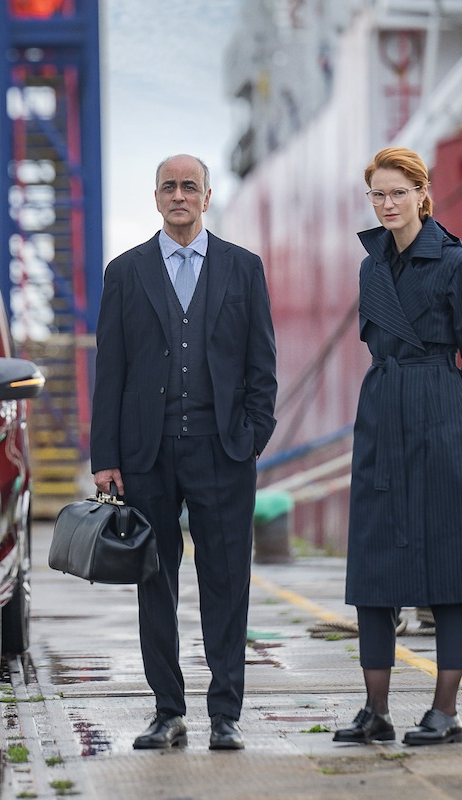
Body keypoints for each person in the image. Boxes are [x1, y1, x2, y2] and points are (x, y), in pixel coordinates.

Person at [90, 154, 277, 751]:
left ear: (207, 196)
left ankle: (226, 714)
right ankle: (167, 711)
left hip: (224, 450)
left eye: (189, 186)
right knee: (155, 581)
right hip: (146, 455)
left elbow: (261, 366)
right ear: (155, 197)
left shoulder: (243, 269)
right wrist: (106, 455)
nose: (179, 195)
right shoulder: (124, 272)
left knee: (227, 581)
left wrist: (252, 438)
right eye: (169, 186)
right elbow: (110, 370)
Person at [334, 146, 462, 747]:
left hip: (443, 414)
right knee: (374, 561)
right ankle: (375, 710)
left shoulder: (456, 265)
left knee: (451, 566)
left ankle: (445, 712)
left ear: (421, 193)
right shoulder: (371, 267)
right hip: (383, 412)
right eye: (377, 195)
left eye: (397, 193)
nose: (386, 204)